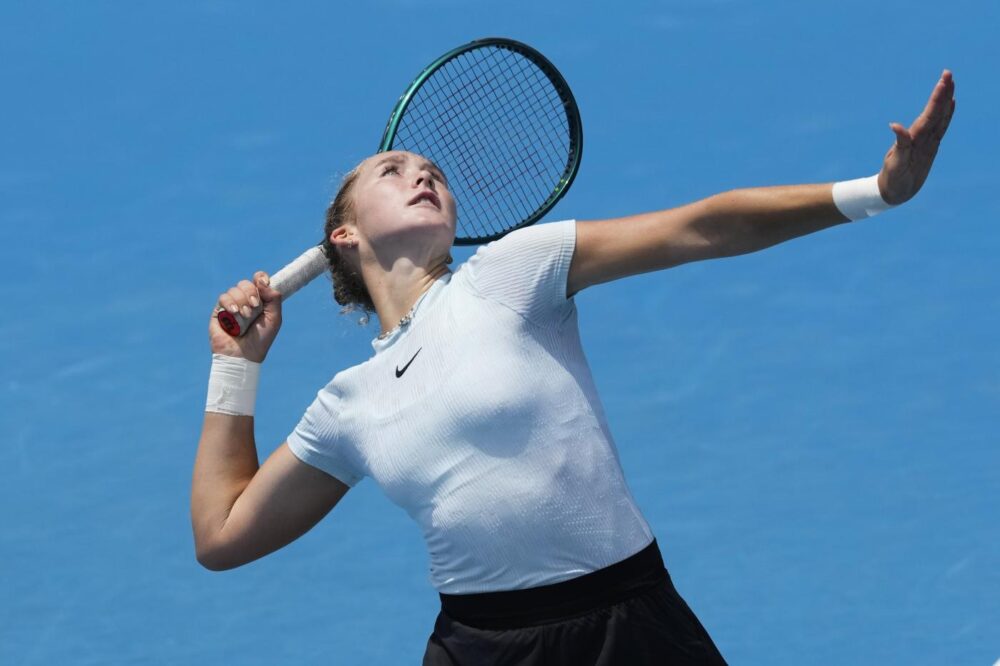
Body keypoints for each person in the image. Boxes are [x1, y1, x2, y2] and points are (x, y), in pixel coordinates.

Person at [191, 71, 956, 665]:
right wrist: (238, 367)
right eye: (393, 170)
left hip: (628, 626)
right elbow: (222, 535)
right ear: (345, 234)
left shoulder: (508, 273)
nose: (424, 173)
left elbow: (701, 228)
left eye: (433, 170)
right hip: (480, 644)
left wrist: (876, 192)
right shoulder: (345, 406)